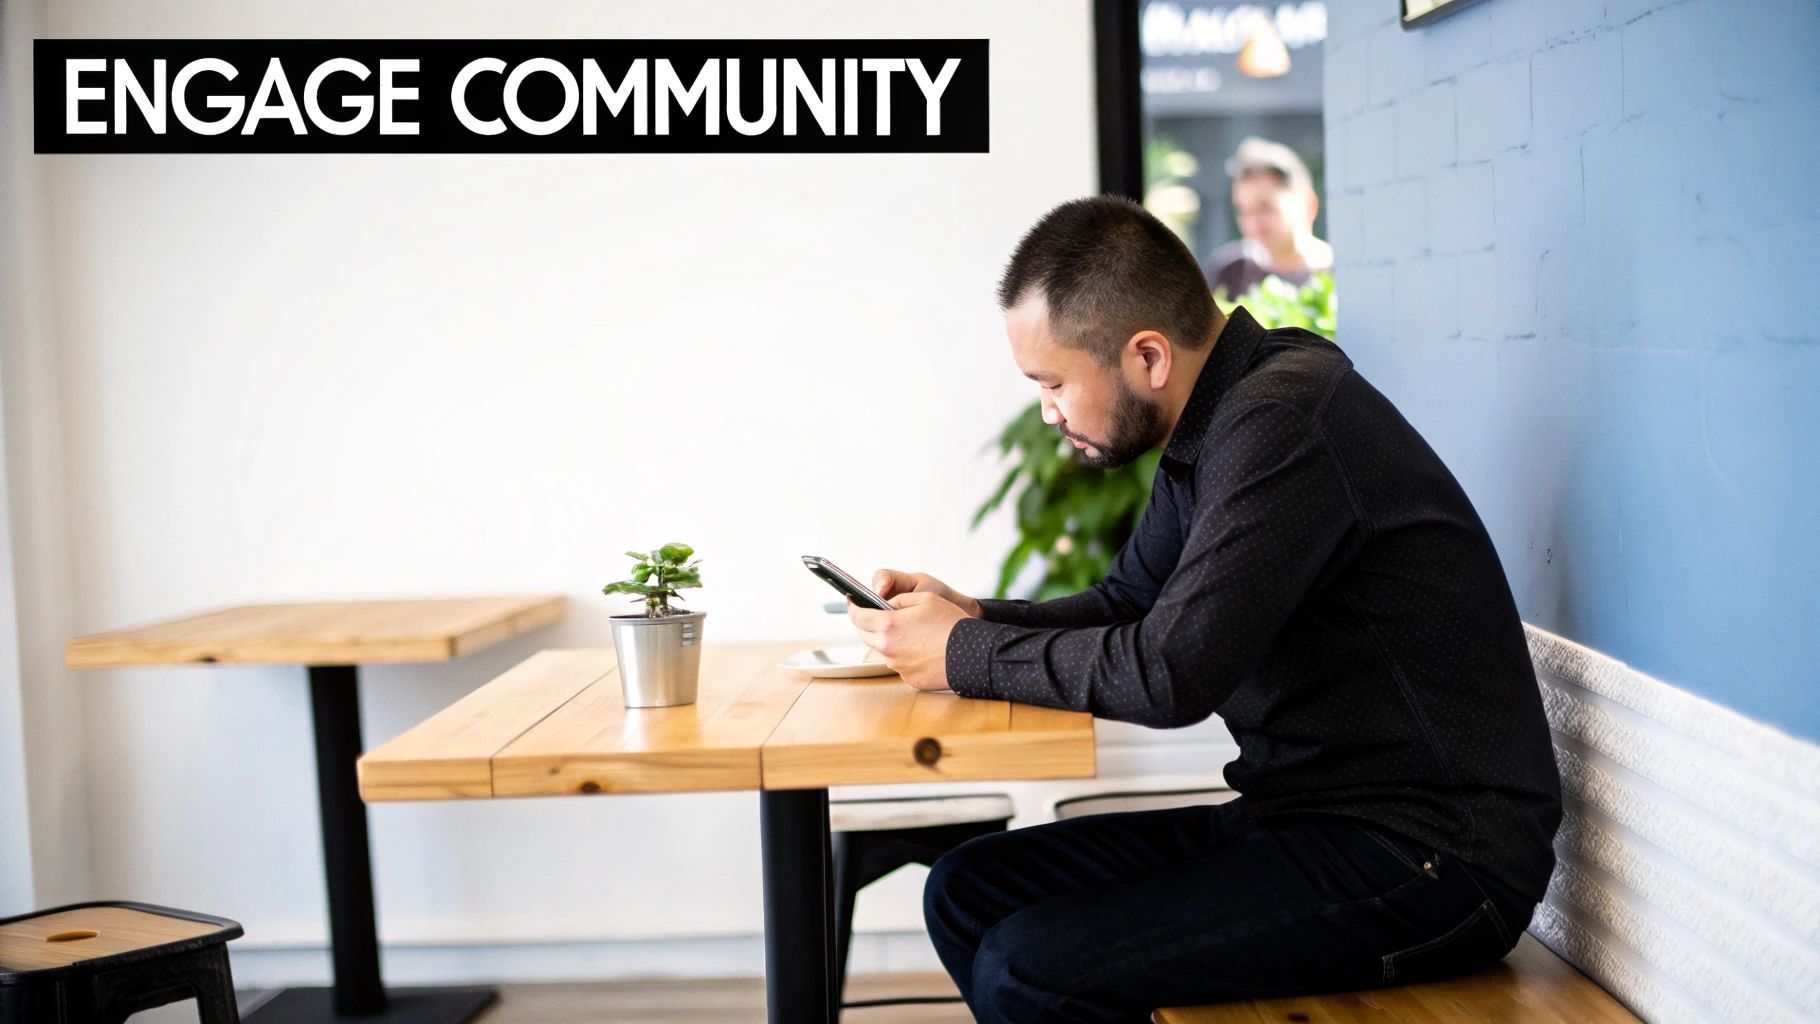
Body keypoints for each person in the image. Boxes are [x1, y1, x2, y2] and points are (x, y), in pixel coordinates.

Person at [844, 196, 1561, 1022]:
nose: (1048, 412)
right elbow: (1127, 604)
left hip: (1433, 861)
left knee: (1030, 967)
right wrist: (971, 614)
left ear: (1147, 355)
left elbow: (1169, 673)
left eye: (1053, 383)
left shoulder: (1280, 420)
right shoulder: (1222, 416)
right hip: (1307, 820)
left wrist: (964, 652)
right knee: (970, 888)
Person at [1203, 136, 1333, 299]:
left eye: (1265, 208)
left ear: (1308, 204)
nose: (1253, 223)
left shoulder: (1337, 271)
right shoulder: (1227, 272)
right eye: (1244, 211)